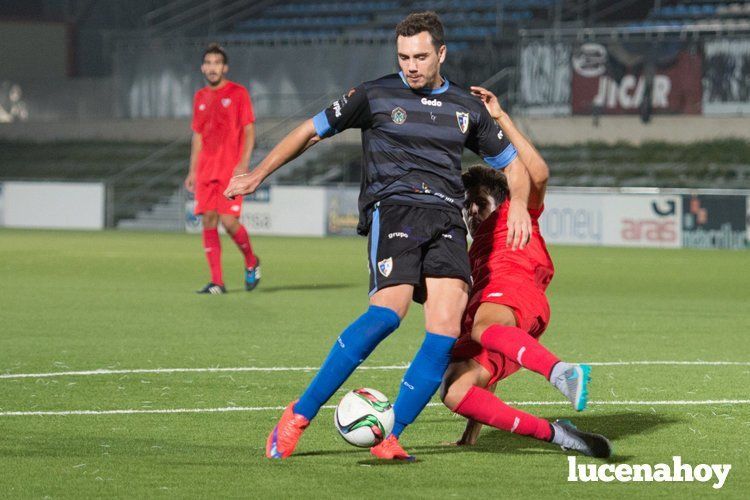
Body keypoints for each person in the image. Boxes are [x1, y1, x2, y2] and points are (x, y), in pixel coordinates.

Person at [225, 11, 533, 461]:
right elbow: (310, 132)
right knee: (389, 314)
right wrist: (257, 174)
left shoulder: (466, 107)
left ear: (441, 54)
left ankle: (390, 438)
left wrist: (520, 202)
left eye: (421, 56)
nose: (411, 65)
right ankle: (298, 415)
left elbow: (513, 163)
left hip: (447, 218)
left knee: (446, 329)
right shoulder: (373, 95)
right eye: (404, 56)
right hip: (395, 209)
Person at [440, 86, 612, 458]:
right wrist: (472, 433)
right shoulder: (474, 254)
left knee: (485, 327)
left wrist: (501, 118)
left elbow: (539, 173)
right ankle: (559, 436)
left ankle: (561, 372)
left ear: (501, 202)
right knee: (454, 388)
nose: (471, 211)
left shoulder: (513, 214)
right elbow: (489, 339)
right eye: (466, 205)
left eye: (478, 203)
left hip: (515, 291)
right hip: (502, 317)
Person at [185, 43, 260, 295]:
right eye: (208, 63)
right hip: (206, 170)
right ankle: (217, 282)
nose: (212, 67)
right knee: (207, 219)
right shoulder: (199, 97)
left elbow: (249, 131)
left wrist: (243, 164)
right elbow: (197, 136)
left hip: (230, 170)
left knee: (228, 222)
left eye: (217, 63)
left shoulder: (238, 93)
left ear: (224, 67)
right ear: (202, 68)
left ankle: (251, 260)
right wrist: (192, 170)